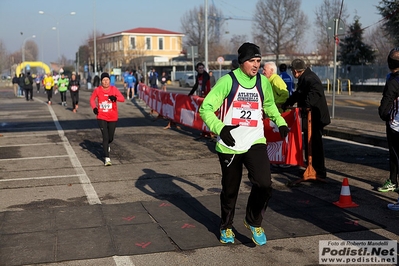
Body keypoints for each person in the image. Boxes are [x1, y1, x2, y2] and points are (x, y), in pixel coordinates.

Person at [199, 42, 289, 246]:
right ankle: (226, 227)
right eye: (252, 61)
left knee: (264, 184)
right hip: (229, 143)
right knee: (230, 190)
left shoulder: (262, 82)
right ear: (242, 62)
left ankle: (253, 220)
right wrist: (220, 128)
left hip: (255, 140)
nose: (256, 65)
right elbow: (205, 108)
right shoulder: (227, 81)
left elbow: (269, 105)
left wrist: (280, 121)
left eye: (258, 61)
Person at [281, 59, 331, 179]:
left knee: (315, 144)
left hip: (316, 117)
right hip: (310, 118)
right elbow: (298, 94)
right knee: (309, 142)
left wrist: (306, 106)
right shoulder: (305, 77)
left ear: (295, 71)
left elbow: (316, 92)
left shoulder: (310, 78)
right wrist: (288, 103)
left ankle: (319, 170)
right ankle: (310, 167)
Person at [90, 72, 125, 166]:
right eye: (103, 80)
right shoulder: (97, 90)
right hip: (101, 116)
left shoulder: (114, 89)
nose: (105, 82)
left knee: (110, 138)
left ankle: (107, 145)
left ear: (109, 80)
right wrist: (94, 108)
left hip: (113, 116)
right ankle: (107, 158)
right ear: (101, 81)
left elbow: (122, 99)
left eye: (107, 80)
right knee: (105, 137)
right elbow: (92, 99)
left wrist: (115, 98)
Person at [377, 47, 399, 192]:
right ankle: (392, 180)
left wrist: (385, 114)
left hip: (395, 124)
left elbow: (385, 106)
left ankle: (393, 181)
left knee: (395, 154)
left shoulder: (393, 81)